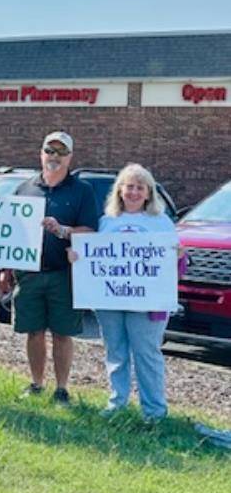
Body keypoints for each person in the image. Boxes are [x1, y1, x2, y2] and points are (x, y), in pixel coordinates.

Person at [68, 164, 179, 422]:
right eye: (129, 186)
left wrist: (179, 257)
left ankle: (154, 411)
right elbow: (92, 257)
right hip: (110, 301)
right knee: (115, 352)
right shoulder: (106, 222)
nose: (134, 192)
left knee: (147, 354)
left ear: (149, 193)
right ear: (119, 191)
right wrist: (77, 257)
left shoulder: (161, 223)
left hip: (148, 303)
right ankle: (117, 403)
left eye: (140, 187)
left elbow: (175, 264)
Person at [0, 131, 98, 404]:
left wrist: (64, 230)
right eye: (49, 150)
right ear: (41, 153)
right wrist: (6, 267)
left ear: (70, 157)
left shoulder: (82, 191)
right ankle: (36, 383)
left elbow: (90, 230)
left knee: (62, 333)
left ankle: (62, 388)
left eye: (60, 152)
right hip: (29, 274)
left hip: (63, 275)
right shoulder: (25, 188)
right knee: (34, 331)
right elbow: (12, 232)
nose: (54, 156)